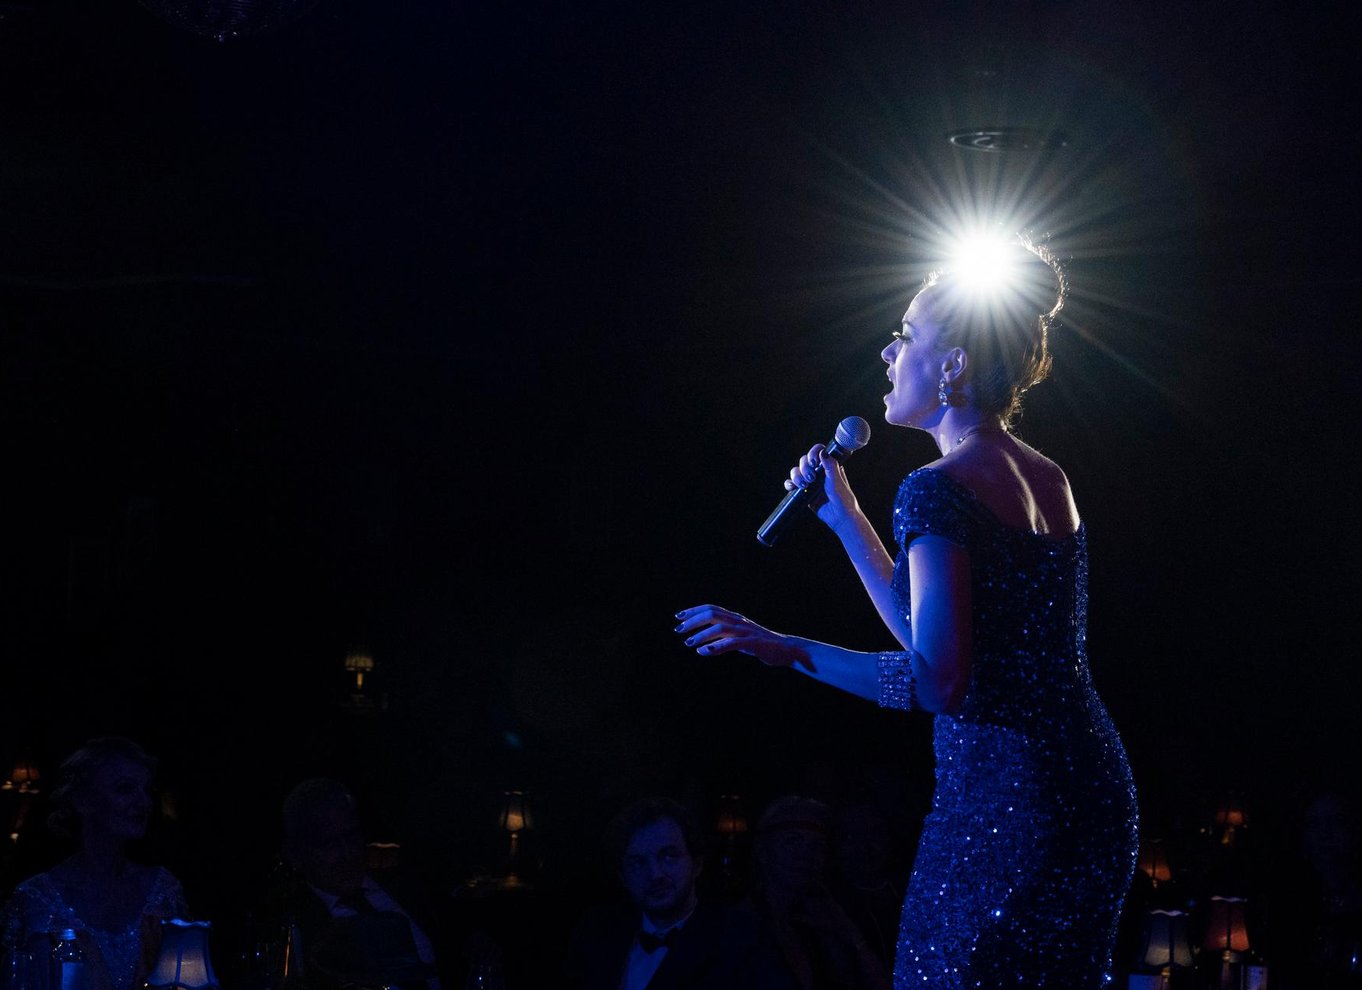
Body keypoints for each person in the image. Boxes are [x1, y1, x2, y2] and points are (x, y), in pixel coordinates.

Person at [675, 236, 1139, 988]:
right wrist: (846, 519)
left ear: (952, 364)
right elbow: (940, 642)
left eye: (906, 335)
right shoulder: (1048, 477)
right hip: (1089, 792)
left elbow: (937, 683)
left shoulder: (935, 487)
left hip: (1004, 805)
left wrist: (784, 648)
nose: (888, 353)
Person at [0, 736, 189, 990]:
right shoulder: (37, 899)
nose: (144, 802)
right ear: (83, 800)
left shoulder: (162, 891)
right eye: (125, 788)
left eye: (146, 790)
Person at [567, 796, 794, 990]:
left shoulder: (744, 938)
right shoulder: (597, 932)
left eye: (668, 856)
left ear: (696, 864)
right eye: (638, 862)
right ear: (623, 877)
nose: (655, 874)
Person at [256, 777, 443, 990]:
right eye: (329, 844)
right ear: (297, 853)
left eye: (351, 837)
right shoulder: (296, 928)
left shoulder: (407, 887)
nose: (347, 854)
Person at [743, 795, 890, 990]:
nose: (806, 854)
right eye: (793, 840)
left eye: (817, 845)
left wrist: (847, 933)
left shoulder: (826, 919)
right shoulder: (734, 922)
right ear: (763, 851)